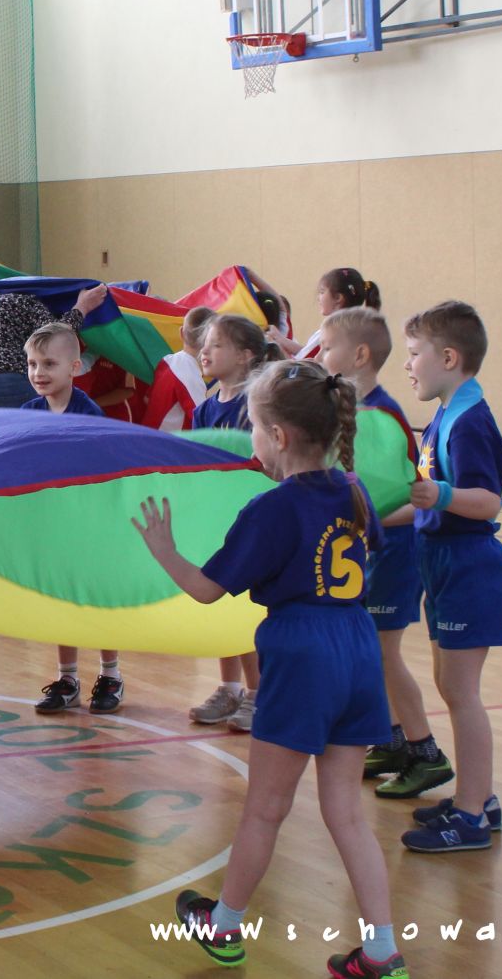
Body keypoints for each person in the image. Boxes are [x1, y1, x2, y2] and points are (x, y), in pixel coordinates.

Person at [133, 359, 408, 979]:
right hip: (357, 646)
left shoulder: (273, 508)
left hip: (302, 652)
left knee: (265, 808)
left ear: (278, 436)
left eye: (254, 427)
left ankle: (224, 925)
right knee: (347, 812)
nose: (250, 437)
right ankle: (382, 950)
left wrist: (164, 550)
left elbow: (207, 590)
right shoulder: (355, 490)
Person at [319, 307, 450, 801]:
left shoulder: (383, 416)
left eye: (327, 347)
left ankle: (425, 751)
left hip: (395, 550)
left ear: (359, 354)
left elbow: (408, 500)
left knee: (383, 653)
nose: (320, 355)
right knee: (372, 653)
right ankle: (393, 740)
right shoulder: (348, 409)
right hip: (370, 550)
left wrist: (361, 519)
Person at [399, 301, 502, 854]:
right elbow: (428, 499)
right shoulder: (446, 415)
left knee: (462, 694)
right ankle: (478, 797)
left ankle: (470, 816)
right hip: (443, 562)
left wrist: (440, 494)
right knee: (450, 687)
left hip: (470, 566)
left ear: (448, 358)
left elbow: (487, 500)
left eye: (414, 354)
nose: (408, 365)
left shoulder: (469, 422)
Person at [20, 325, 121, 714]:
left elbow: (100, 473)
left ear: (74, 367)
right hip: (52, 526)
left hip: (88, 526)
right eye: (32, 364)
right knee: (61, 602)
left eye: (49, 364)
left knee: (97, 601)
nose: (38, 372)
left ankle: (110, 674)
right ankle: (67, 678)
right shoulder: (27, 414)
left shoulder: (88, 414)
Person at [189, 314, 281, 732]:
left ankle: (258, 693)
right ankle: (229, 688)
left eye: (217, 345)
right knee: (220, 607)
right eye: (204, 344)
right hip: (214, 522)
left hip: (251, 523)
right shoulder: (205, 409)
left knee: (246, 613)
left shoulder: (256, 407)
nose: (205, 351)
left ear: (245, 356)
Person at [269, 267, 381, 360]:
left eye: (322, 292)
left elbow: (301, 368)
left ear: (338, 298)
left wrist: (276, 345)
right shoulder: (342, 329)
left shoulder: (333, 333)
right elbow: (306, 352)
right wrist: (280, 339)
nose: (318, 298)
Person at [139, 306, 212, 432]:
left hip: (148, 434)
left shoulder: (167, 360)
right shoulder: (191, 377)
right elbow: (203, 423)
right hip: (165, 441)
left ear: (181, 333)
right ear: (210, 343)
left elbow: (147, 399)